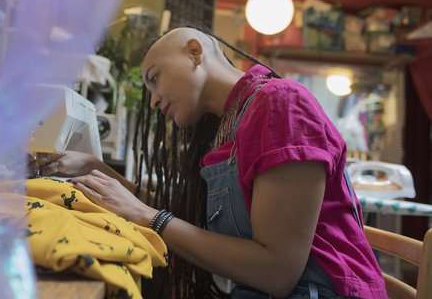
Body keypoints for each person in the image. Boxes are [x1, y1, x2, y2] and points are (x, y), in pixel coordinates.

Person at [36, 27, 388, 298]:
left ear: (194, 52)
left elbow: (278, 272)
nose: (155, 101)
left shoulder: (280, 104)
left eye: (154, 78)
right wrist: (94, 169)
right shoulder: (230, 127)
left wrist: (148, 217)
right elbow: (185, 218)